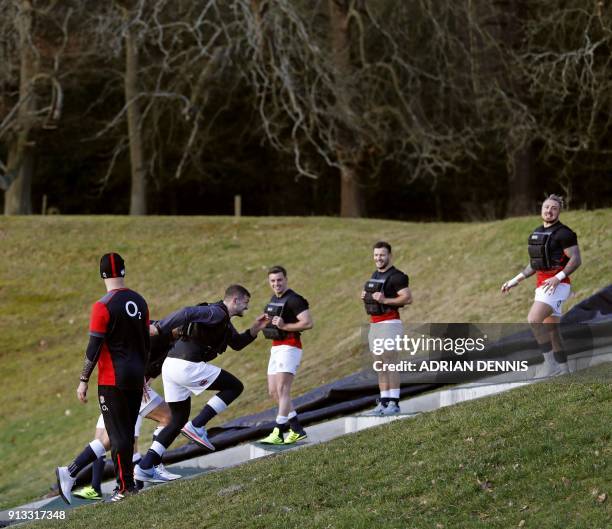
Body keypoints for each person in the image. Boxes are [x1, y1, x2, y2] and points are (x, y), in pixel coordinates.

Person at [135, 285, 268, 483]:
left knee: (177, 419)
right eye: (245, 304)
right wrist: (159, 327)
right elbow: (187, 312)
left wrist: (256, 329)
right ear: (235, 300)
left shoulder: (224, 321)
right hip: (186, 365)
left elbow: (237, 343)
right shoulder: (215, 312)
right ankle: (197, 425)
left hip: (171, 367)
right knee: (234, 386)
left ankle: (146, 466)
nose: (246, 309)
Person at [56, 253, 150, 503]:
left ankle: (123, 488)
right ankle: (125, 485)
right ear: (124, 271)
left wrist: (83, 379)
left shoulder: (102, 306)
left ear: (102, 275)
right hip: (134, 375)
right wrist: (142, 376)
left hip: (112, 379)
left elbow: (94, 346)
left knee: (119, 436)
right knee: (126, 434)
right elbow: (145, 342)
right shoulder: (139, 301)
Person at [501, 194, 582, 376]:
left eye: (554, 208)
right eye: (546, 207)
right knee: (552, 331)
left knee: (533, 319)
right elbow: (534, 265)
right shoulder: (537, 233)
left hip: (557, 286)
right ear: (541, 210)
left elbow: (576, 260)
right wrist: (514, 281)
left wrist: (558, 277)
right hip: (542, 286)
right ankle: (564, 370)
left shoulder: (565, 233)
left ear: (559, 211)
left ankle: (549, 365)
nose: (549, 211)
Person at [71, 382, 179, 501]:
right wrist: (83, 381)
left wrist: (83, 382)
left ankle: (133, 480)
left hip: (117, 389)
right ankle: (144, 471)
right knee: (107, 440)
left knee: (115, 441)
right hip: (122, 389)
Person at [259, 266, 313, 445]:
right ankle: (296, 429)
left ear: (286, 279)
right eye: (273, 281)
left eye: (279, 280)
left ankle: (278, 432)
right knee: (273, 391)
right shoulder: (274, 299)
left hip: (290, 347)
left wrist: (284, 326)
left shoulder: (295, 299)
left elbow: (308, 323)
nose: (276, 284)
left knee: (283, 390)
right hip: (276, 348)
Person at [362, 241, 412, 415]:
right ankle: (383, 402)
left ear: (390, 256)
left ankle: (394, 403)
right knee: (380, 365)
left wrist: (385, 301)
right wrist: (366, 296)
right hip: (375, 323)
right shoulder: (375, 275)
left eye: (382, 255)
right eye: (376, 255)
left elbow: (407, 298)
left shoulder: (397, 276)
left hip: (390, 323)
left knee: (390, 363)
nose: (378, 258)